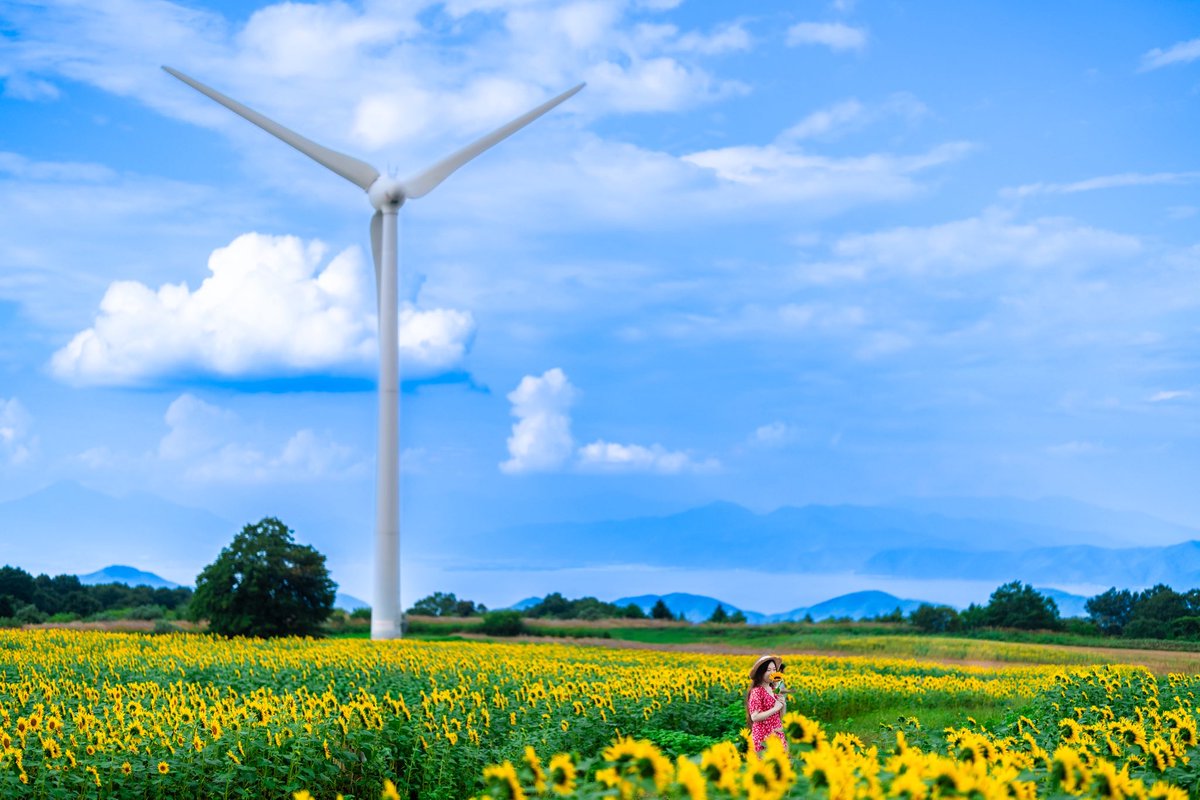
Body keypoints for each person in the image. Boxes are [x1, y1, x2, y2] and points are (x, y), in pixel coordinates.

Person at [745, 654, 787, 756]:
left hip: (777, 734)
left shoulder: (773, 690)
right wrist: (775, 708)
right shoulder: (757, 691)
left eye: (774, 669)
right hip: (764, 736)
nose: (772, 673)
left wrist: (783, 704)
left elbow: (780, 716)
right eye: (768, 670)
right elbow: (754, 717)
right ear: (761, 673)